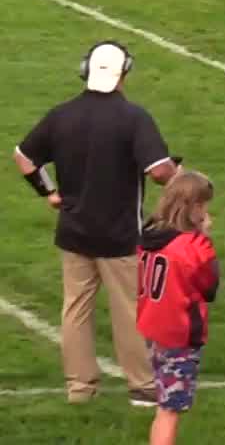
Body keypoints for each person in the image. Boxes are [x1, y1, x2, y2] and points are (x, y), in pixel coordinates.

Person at [14, 41, 177, 407]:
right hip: (119, 235)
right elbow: (159, 172)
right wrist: (178, 172)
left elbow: (24, 158)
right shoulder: (134, 117)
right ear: (124, 74)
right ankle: (143, 386)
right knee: (130, 311)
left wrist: (49, 192)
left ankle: (80, 388)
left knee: (75, 309)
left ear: (86, 69)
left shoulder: (62, 114)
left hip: (74, 230)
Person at [136, 170, 219, 445]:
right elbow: (209, 287)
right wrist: (204, 237)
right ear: (194, 207)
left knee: (164, 405)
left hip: (153, 327)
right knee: (170, 411)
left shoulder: (148, 236)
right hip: (180, 334)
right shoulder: (195, 246)